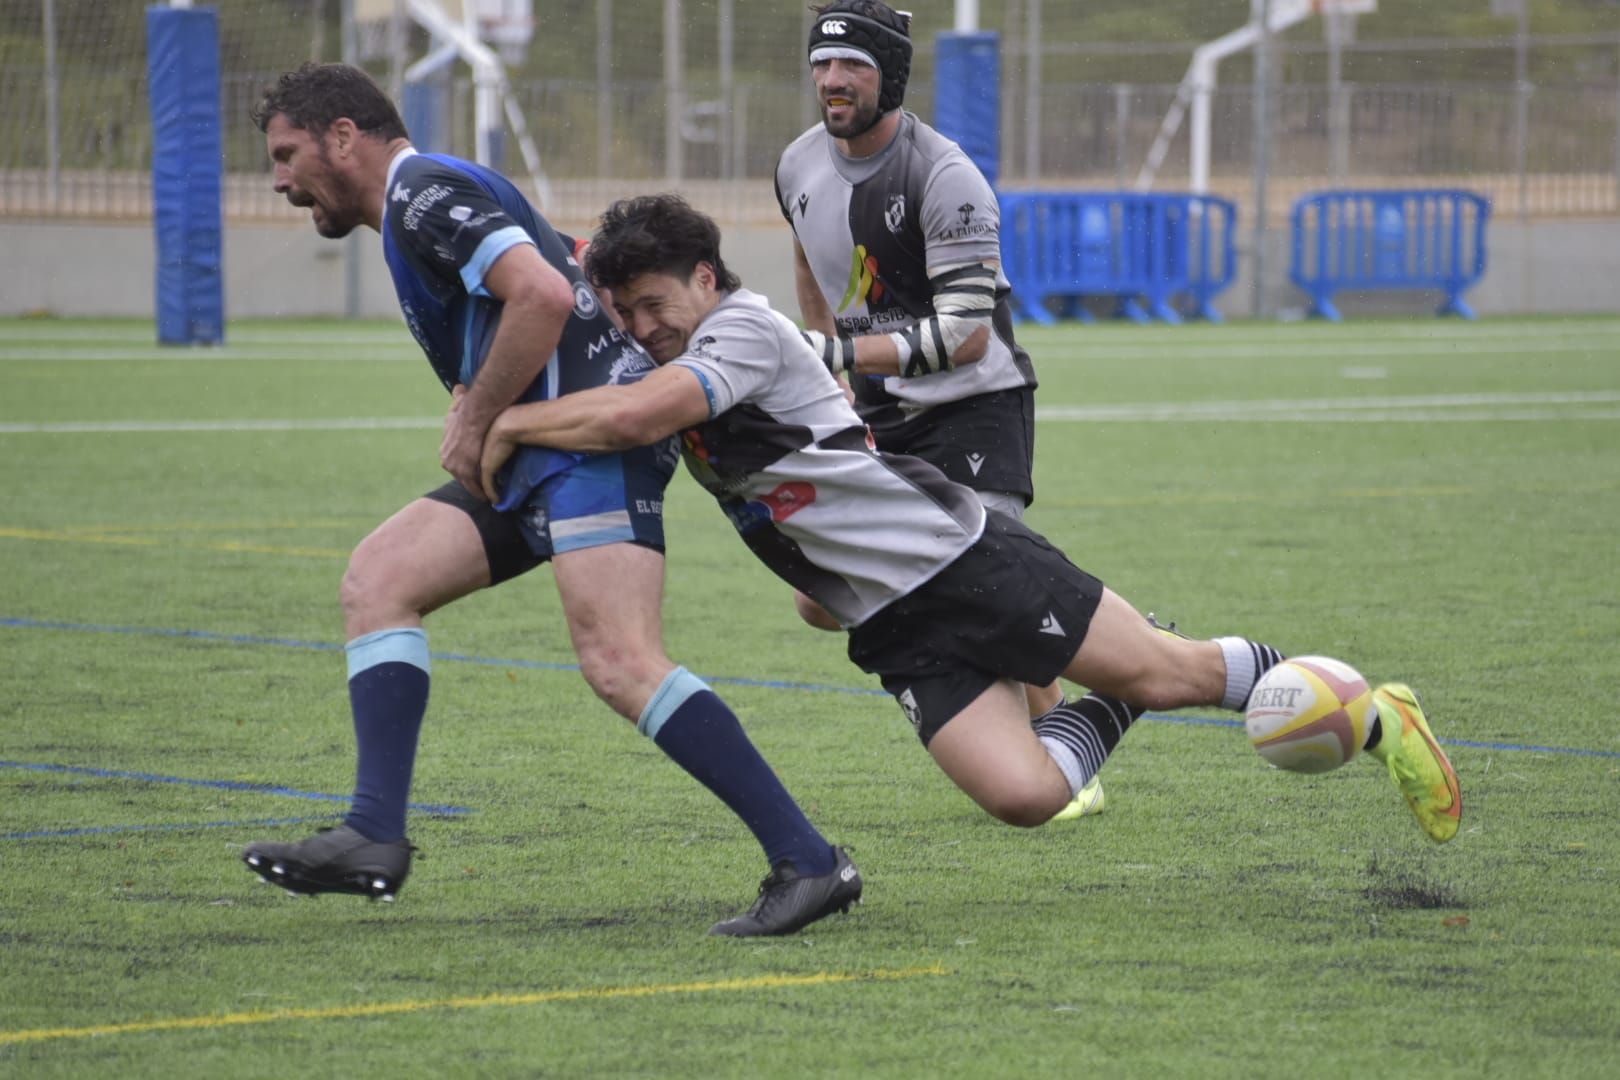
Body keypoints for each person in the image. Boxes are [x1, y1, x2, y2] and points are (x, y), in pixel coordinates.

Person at [477, 193, 1463, 846]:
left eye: (655, 305)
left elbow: (642, 415)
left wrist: (501, 417)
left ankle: (1380, 716)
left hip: (958, 562)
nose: (646, 330)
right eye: (629, 313)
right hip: (890, 620)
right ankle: (1117, 692)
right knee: (1029, 799)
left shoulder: (741, 328)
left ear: (704, 276)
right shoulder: (691, 338)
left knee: (1181, 676)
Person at [239, 63, 860, 938]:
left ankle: (809, 859)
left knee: (620, 661)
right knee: (379, 578)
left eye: (287, 153)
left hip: (584, 457)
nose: (279, 178)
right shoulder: (422, 208)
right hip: (536, 452)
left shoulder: (423, 193)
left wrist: (479, 416)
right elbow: (565, 267)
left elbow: (535, 289)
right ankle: (374, 832)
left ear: (344, 136)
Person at [775, 0, 1120, 819]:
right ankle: (1096, 663)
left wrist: (838, 354)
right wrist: (828, 380)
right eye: (822, 64)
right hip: (878, 410)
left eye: (852, 65)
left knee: (976, 594)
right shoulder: (796, 164)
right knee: (819, 598)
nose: (832, 80)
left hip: (976, 408)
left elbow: (966, 336)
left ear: (889, 73)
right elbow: (810, 264)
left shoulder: (945, 175)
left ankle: (1087, 730)